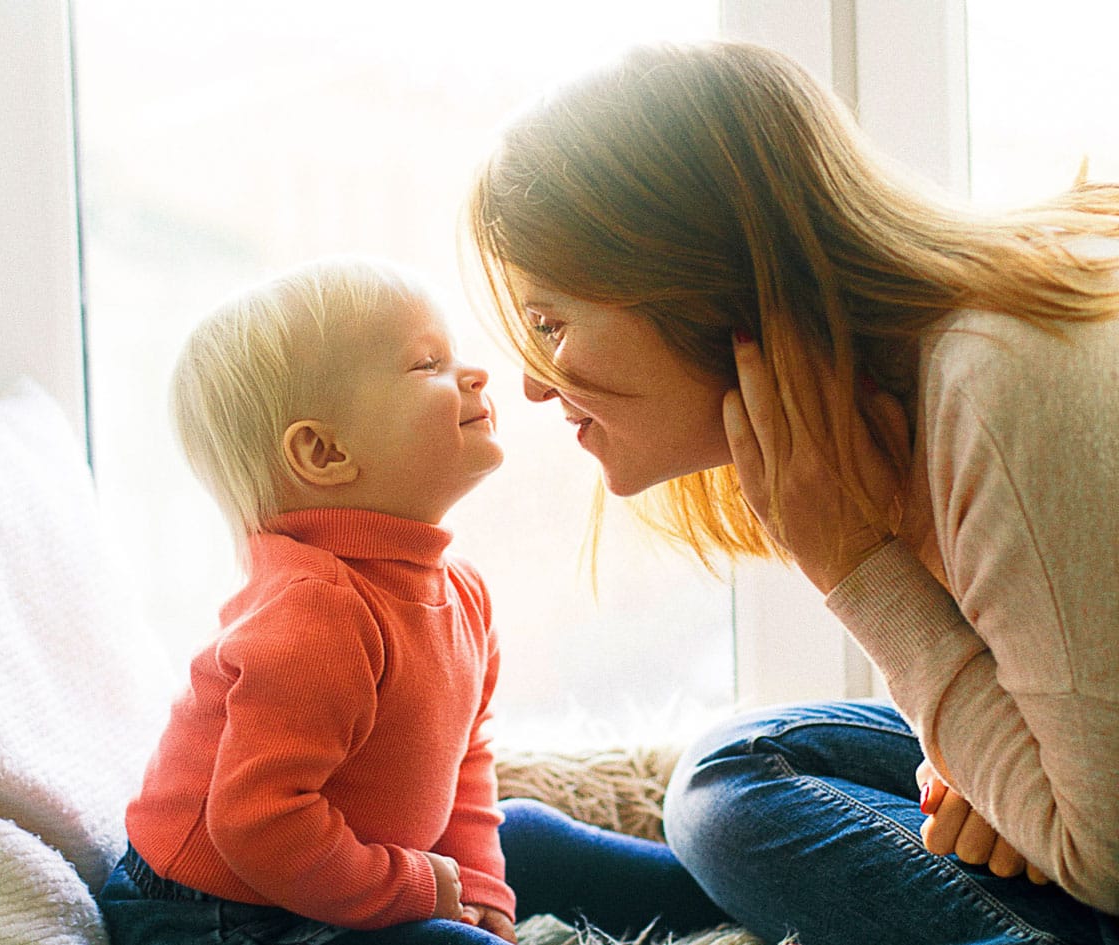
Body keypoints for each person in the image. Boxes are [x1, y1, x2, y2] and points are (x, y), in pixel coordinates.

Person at [465, 41, 1119, 945]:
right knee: (733, 770)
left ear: (693, 277)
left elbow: (1107, 851)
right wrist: (986, 767)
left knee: (730, 800)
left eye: (551, 323)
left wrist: (857, 566)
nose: (537, 384)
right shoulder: (931, 388)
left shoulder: (995, 388)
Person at [97, 256, 516, 945]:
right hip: (210, 909)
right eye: (427, 364)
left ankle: (707, 890)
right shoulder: (317, 612)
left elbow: (465, 756)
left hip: (331, 868)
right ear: (323, 452)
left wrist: (476, 882)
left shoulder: (462, 592)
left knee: (528, 834)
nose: (474, 374)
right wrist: (410, 888)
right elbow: (258, 822)